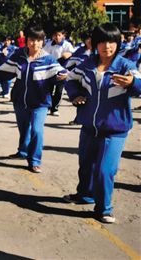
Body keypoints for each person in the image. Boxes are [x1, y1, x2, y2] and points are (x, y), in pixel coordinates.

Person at [63, 23, 141, 223]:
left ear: (118, 43)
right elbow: (70, 80)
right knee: (86, 166)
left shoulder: (126, 66)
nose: (107, 46)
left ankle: (104, 209)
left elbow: (140, 84)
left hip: (114, 130)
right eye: (102, 42)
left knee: (105, 170)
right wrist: (76, 95)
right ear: (94, 44)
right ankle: (85, 195)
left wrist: (132, 83)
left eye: (112, 42)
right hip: (89, 127)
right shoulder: (87, 65)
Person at [0, 25, 67, 173]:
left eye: (38, 40)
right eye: (31, 40)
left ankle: (34, 160)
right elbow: (3, 72)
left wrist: (64, 77)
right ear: (26, 41)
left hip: (40, 102)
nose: (34, 43)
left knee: (36, 130)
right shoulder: (18, 55)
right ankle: (22, 151)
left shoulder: (48, 59)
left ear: (43, 41)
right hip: (19, 100)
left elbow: (60, 74)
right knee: (24, 129)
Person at [43, 27, 75, 116]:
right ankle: (47, 106)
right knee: (48, 89)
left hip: (62, 70)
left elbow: (72, 54)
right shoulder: (49, 44)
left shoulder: (67, 45)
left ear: (63, 36)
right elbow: (43, 54)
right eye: (55, 35)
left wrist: (68, 54)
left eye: (59, 35)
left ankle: (55, 108)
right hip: (50, 69)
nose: (57, 37)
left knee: (59, 90)